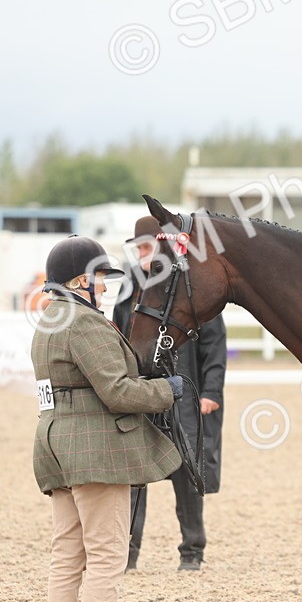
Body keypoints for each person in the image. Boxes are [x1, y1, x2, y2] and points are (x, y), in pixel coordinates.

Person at [31, 235, 183, 602]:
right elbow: (117, 390)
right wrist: (165, 392)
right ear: (81, 280)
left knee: (68, 555)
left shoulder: (48, 321)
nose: (103, 287)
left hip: (55, 442)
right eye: (99, 278)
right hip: (93, 449)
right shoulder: (84, 323)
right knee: (106, 555)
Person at [115, 216, 227, 572]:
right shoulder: (129, 289)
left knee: (189, 473)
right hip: (141, 394)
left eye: (147, 248)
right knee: (134, 476)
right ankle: (128, 554)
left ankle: (192, 551)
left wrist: (210, 391)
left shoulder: (190, 285)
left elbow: (214, 344)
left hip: (186, 395)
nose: (143, 256)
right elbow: (117, 338)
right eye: (140, 249)